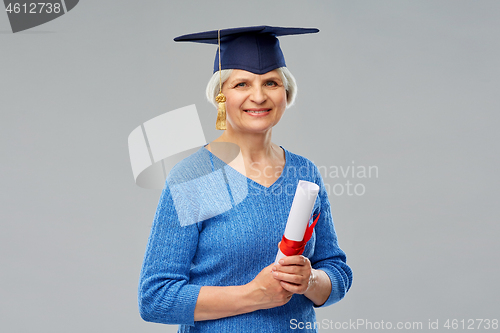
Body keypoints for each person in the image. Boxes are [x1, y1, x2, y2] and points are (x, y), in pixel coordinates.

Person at [138, 26, 352, 333]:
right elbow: (156, 298)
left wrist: (311, 280)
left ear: (286, 93)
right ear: (221, 96)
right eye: (242, 83)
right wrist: (253, 295)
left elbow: (336, 270)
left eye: (271, 82)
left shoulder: (304, 173)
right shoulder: (192, 178)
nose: (259, 95)